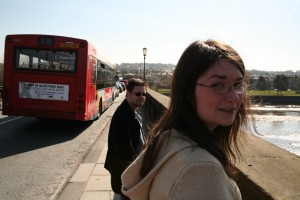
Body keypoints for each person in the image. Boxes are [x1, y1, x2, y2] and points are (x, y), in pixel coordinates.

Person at [121, 39, 254, 200]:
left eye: (238, 84)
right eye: (218, 85)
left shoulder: (168, 139)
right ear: (187, 91)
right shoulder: (201, 171)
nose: (234, 97)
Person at [104, 78, 147, 200]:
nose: (142, 96)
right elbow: (125, 151)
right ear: (128, 94)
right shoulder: (123, 116)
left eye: (144, 94)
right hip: (125, 172)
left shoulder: (130, 111)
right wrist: (138, 169)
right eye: (138, 94)